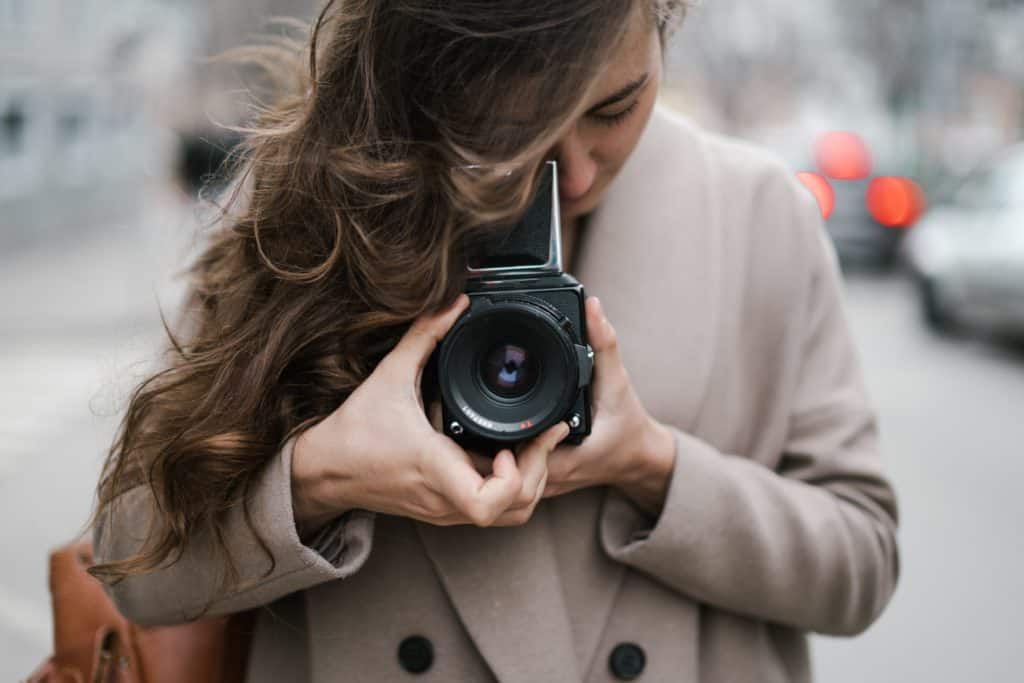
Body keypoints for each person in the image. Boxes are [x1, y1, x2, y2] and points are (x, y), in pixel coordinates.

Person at [87, 1, 901, 681]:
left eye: (615, 108)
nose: (575, 174)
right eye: (516, 128)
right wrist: (322, 476)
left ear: (663, 27)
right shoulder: (307, 208)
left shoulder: (757, 214)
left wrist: (653, 465)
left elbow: (861, 565)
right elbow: (135, 564)